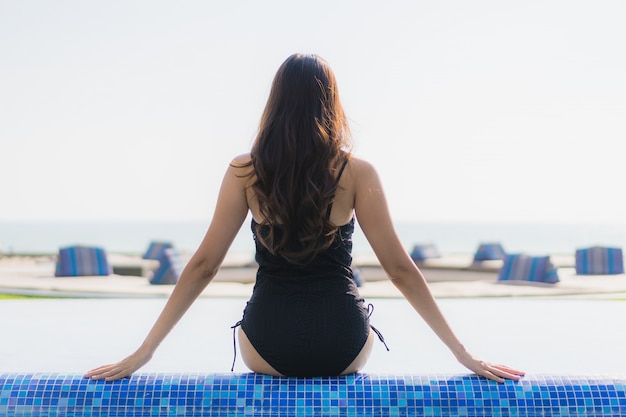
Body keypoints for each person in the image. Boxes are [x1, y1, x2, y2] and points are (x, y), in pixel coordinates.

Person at [85, 53, 524, 382]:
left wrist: (142, 354)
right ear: (331, 102)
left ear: (275, 102)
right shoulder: (356, 172)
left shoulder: (245, 170)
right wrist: (464, 355)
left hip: (267, 346)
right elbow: (399, 270)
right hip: (344, 346)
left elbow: (203, 265)